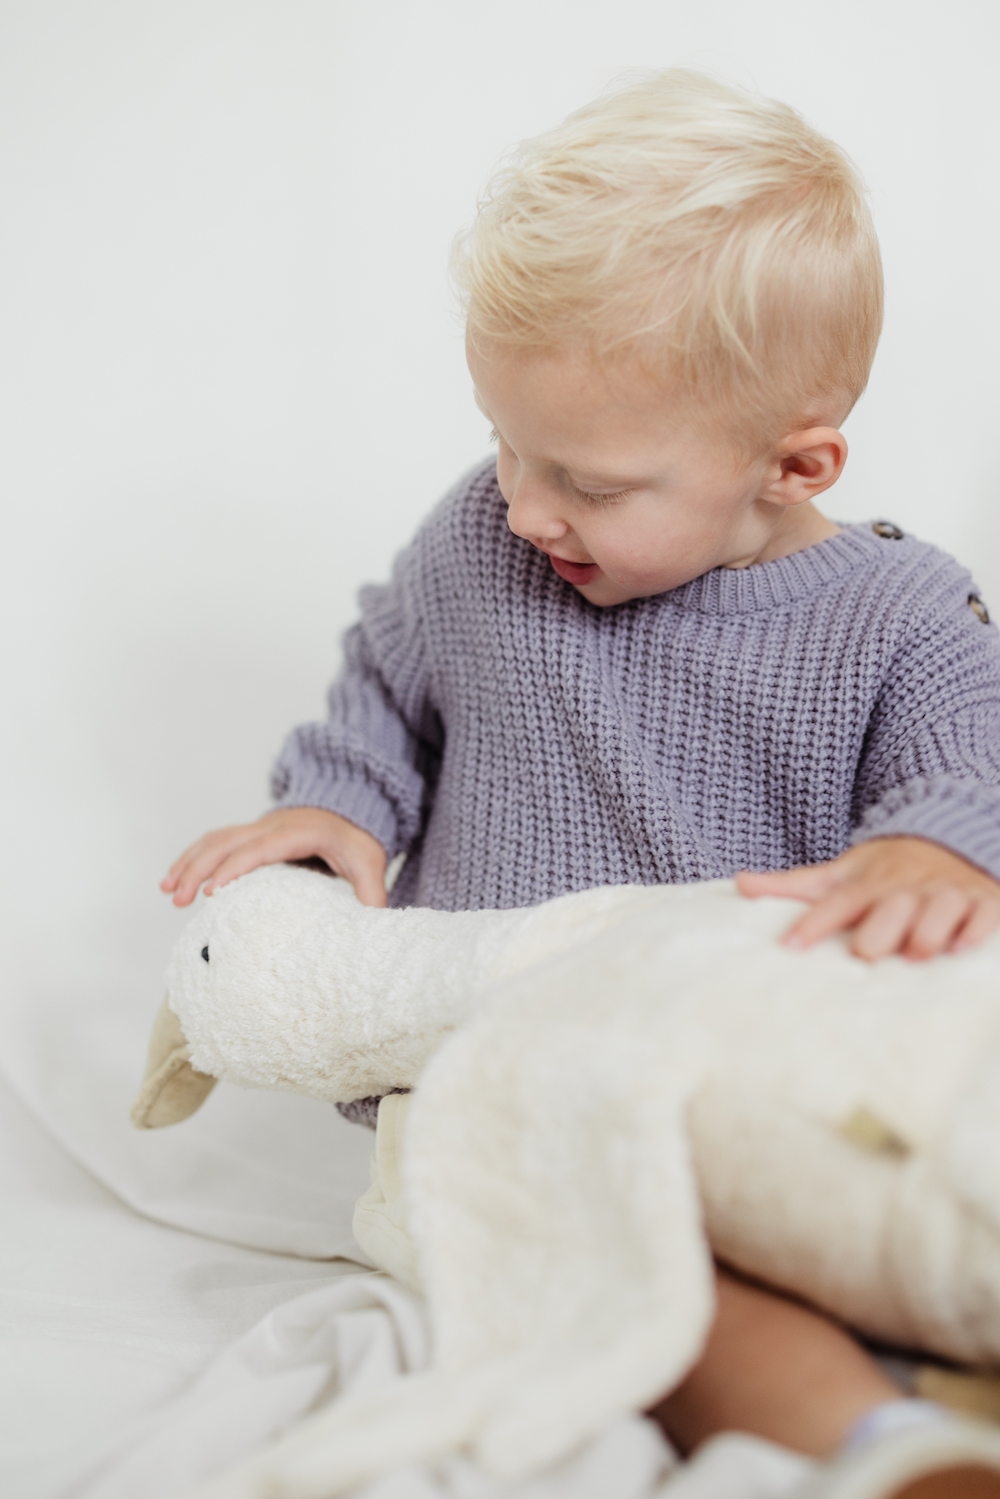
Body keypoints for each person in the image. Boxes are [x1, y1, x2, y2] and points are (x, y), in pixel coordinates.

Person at [162, 71, 1000, 1497]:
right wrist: (342, 803)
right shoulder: (486, 542)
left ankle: (932, 1326)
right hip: (505, 1076)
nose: (526, 503)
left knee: (909, 1192)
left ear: (792, 463)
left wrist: (941, 846)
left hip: (757, 1068)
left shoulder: (903, 614)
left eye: (591, 482)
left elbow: (967, 759)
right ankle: (885, 1447)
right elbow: (388, 680)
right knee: (629, 1272)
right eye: (504, 442)